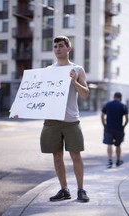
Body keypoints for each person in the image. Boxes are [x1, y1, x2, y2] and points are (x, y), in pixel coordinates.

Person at [39, 36, 90, 202]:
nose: (57, 49)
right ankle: (64, 189)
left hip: (71, 120)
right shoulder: (48, 70)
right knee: (57, 156)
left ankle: (81, 190)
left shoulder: (77, 69)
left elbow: (85, 94)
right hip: (52, 120)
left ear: (69, 48)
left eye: (61, 46)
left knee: (76, 155)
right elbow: (40, 95)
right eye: (55, 46)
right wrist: (22, 109)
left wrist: (73, 81)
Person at [101, 92, 129, 168]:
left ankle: (110, 161)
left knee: (109, 144)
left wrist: (104, 125)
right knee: (118, 145)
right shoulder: (123, 106)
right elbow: (127, 119)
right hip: (119, 128)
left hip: (108, 127)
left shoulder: (108, 104)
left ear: (114, 97)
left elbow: (102, 116)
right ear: (121, 97)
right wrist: (123, 126)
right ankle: (118, 160)